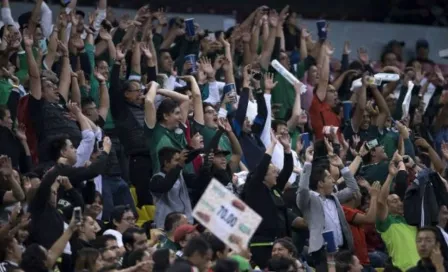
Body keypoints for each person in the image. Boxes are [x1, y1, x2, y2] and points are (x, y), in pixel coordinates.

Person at [297, 146, 359, 271]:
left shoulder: (334, 197)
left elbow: (353, 189)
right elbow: (303, 189)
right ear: (320, 183)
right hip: (322, 254)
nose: (334, 181)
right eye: (329, 178)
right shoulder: (309, 200)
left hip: (342, 251)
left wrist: (342, 167)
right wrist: (308, 163)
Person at [376, 152, 419, 271]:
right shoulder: (386, 222)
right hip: (402, 269)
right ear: (387, 208)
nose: (400, 203)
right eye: (394, 201)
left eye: (400, 200)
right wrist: (390, 176)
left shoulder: (410, 219)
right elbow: (381, 202)